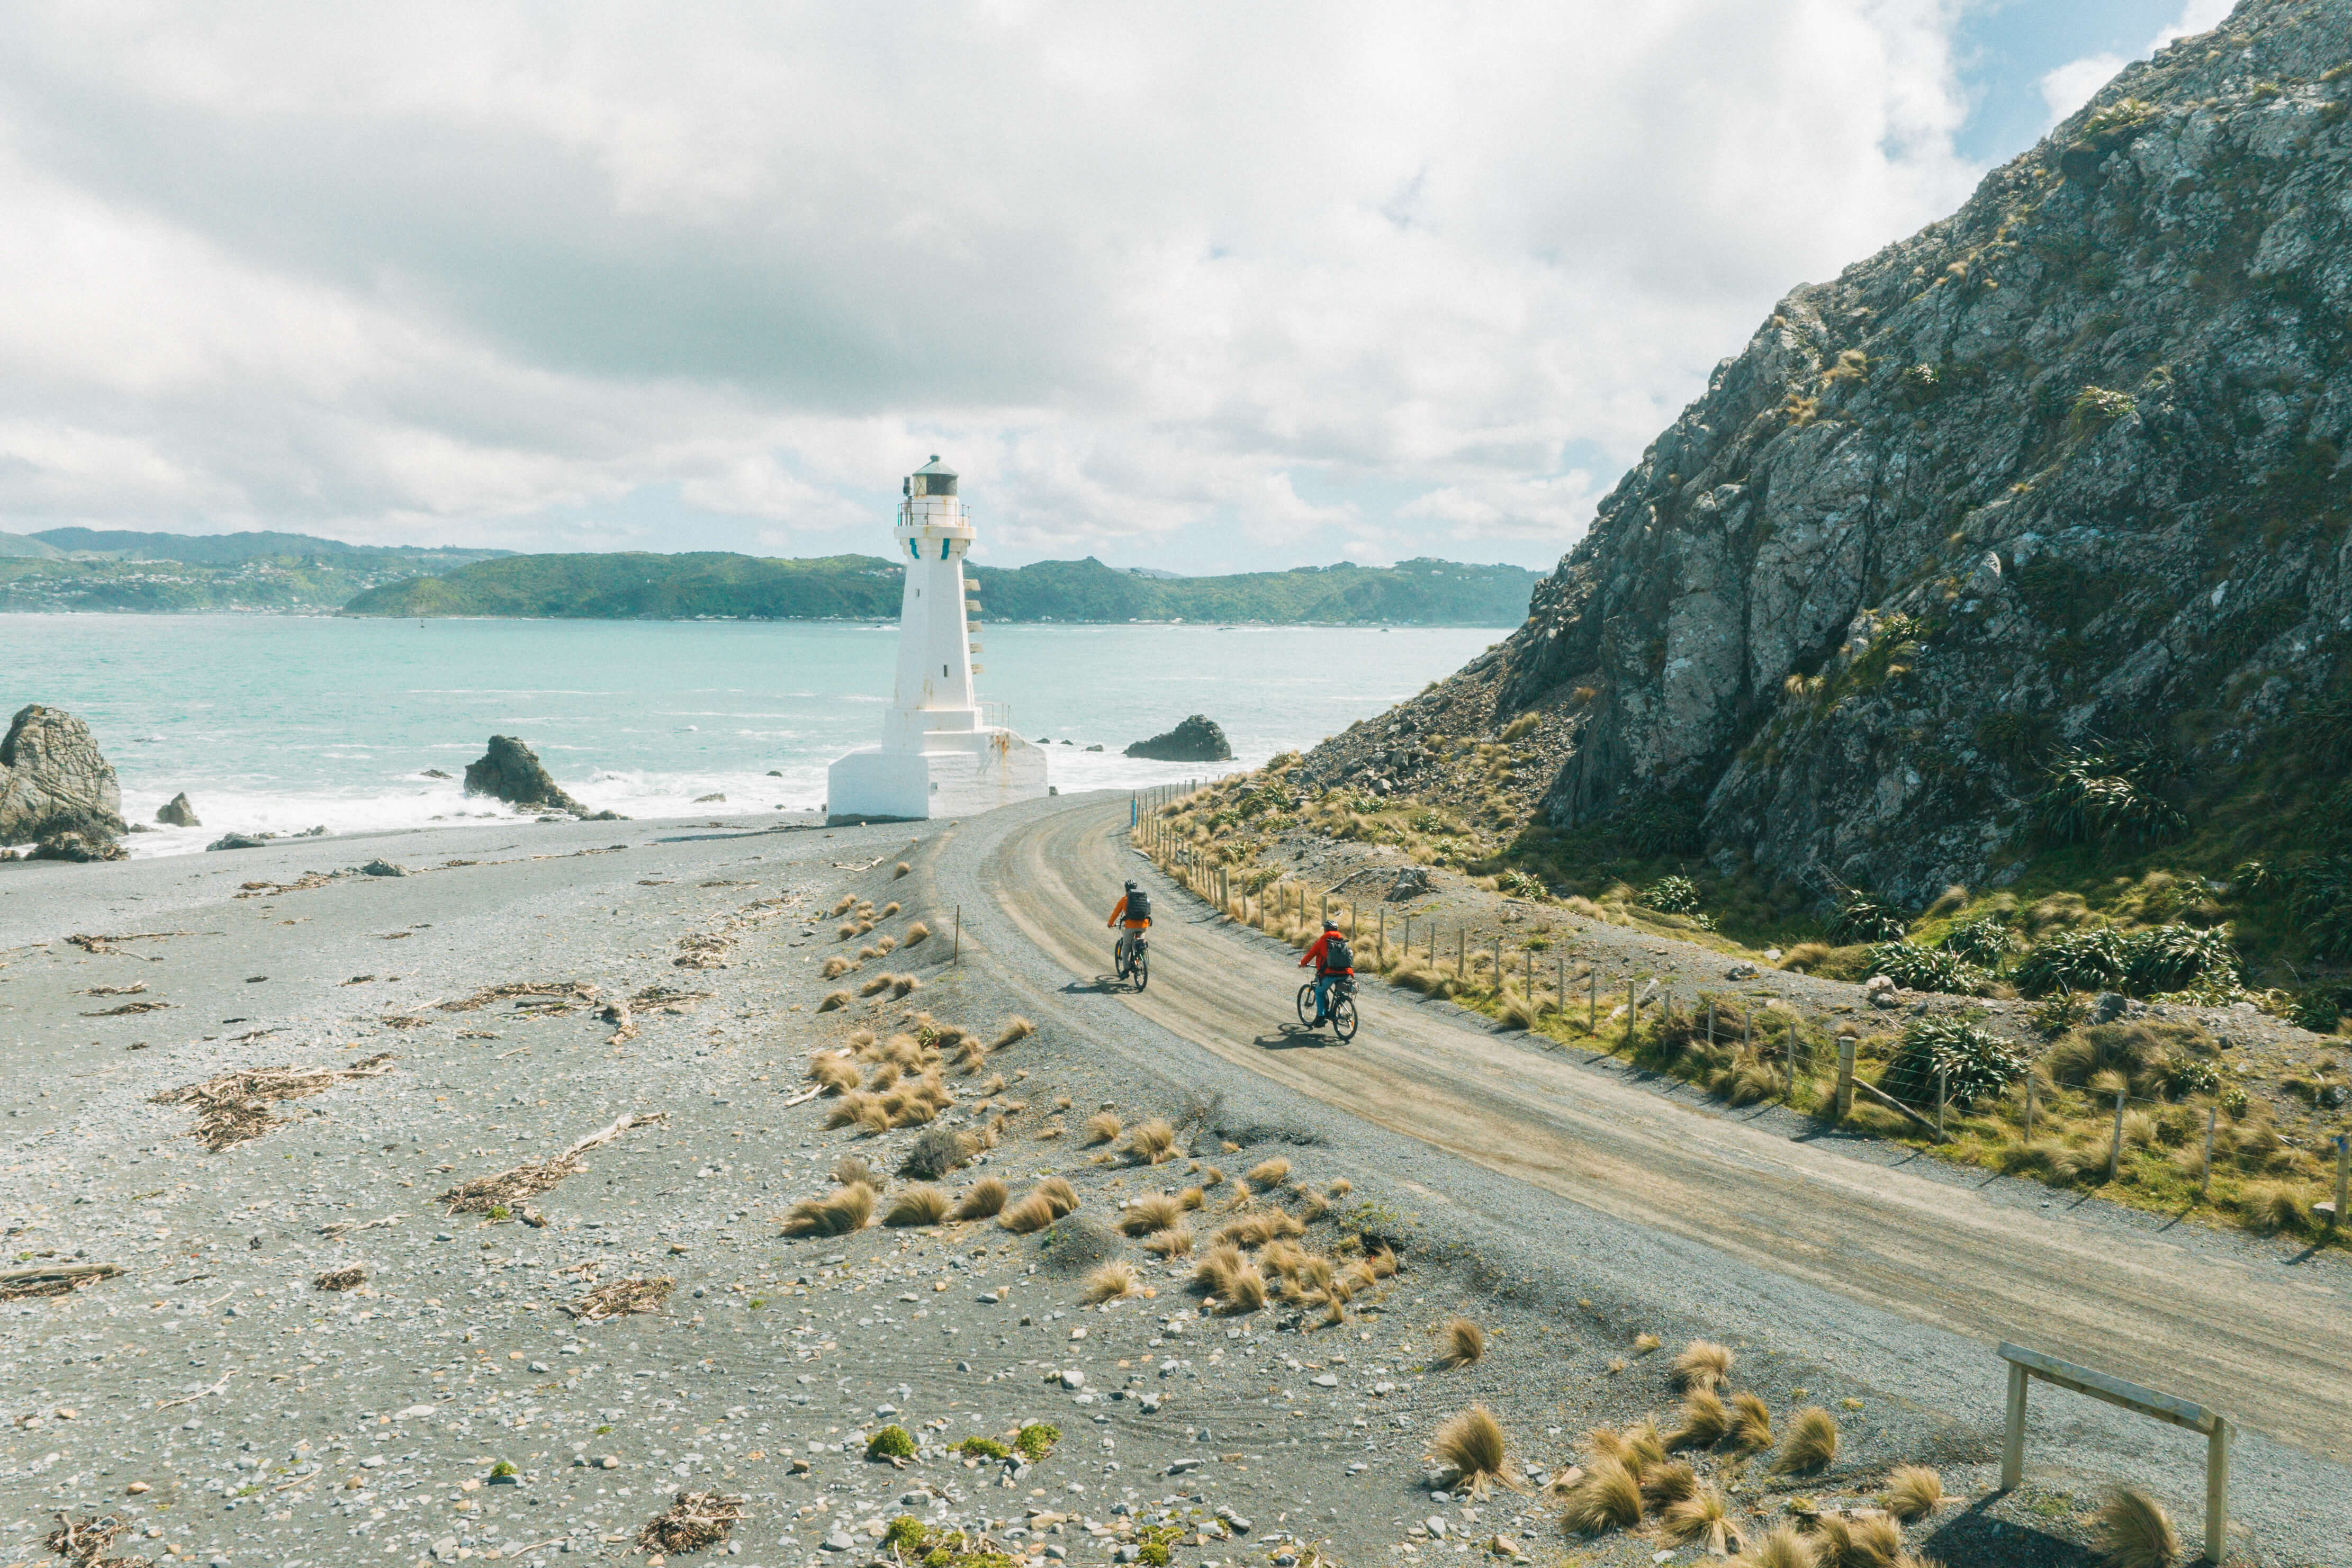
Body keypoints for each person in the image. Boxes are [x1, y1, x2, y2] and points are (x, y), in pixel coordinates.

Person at [1299, 918, 1354, 1026]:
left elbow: (1310, 955)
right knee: (1339, 994)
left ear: (1326, 930)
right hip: (1346, 973)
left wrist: (1302, 963)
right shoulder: (1343, 942)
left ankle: (1321, 1017)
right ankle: (1340, 1012)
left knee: (1319, 992)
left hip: (1330, 974)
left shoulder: (1322, 942)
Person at [1107, 879, 1151, 970]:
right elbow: (1148, 912)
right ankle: (1140, 959)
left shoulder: (1124, 900)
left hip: (1131, 927)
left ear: (1126, 889)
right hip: (1143, 926)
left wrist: (1110, 923)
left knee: (1126, 946)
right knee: (1140, 943)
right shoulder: (1144, 898)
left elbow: (1115, 913)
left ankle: (1126, 970)